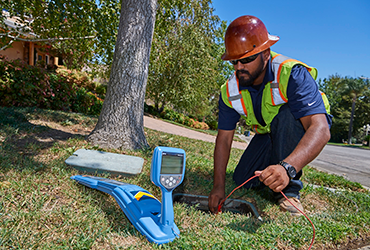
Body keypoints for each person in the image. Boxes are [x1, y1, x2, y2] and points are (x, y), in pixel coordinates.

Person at [208, 15, 332, 216]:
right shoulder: (229, 90)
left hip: (299, 125)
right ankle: (273, 176)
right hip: (268, 135)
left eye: (247, 59)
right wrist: (218, 186)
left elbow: (320, 129)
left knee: (287, 114)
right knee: (242, 179)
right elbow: (223, 139)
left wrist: (287, 168)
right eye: (234, 61)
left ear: (265, 54)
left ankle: (289, 192)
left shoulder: (292, 73)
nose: (239, 67)